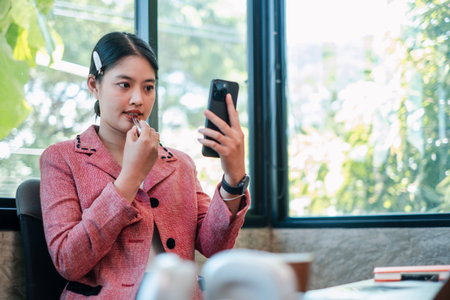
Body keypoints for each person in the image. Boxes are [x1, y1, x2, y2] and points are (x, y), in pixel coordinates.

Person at [39, 31, 250, 300]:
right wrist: (130, 178)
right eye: (124, 85)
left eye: (148, 87)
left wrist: (233, 178)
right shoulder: (61, 158)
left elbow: (214, 246)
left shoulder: (179, 163)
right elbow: (69, 260)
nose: (138, 99)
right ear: (94, 85)